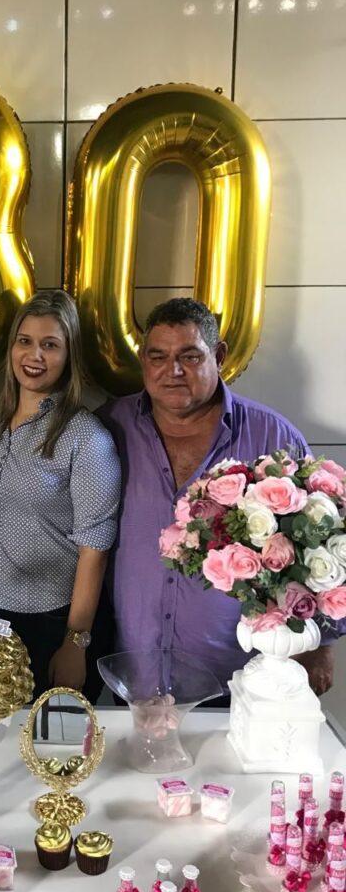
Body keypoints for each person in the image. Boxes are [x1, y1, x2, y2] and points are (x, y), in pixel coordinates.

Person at [97, 297, 338, 697]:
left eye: (190, 356)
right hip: (134, 675)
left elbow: (324, 544)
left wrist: (321, 645)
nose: (173, 371)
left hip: (244, 679)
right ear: (143, 360)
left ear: (220, 356)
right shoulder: (106, 428)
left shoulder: (273, 438)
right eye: (158, 356)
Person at [0, 290, 121, 700]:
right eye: (25, 341)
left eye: (51, 345)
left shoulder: (85, 437)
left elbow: (95, 548)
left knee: (43, 735)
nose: (35, 355)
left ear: (69, 355)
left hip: (49, 619)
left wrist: (75, 642)